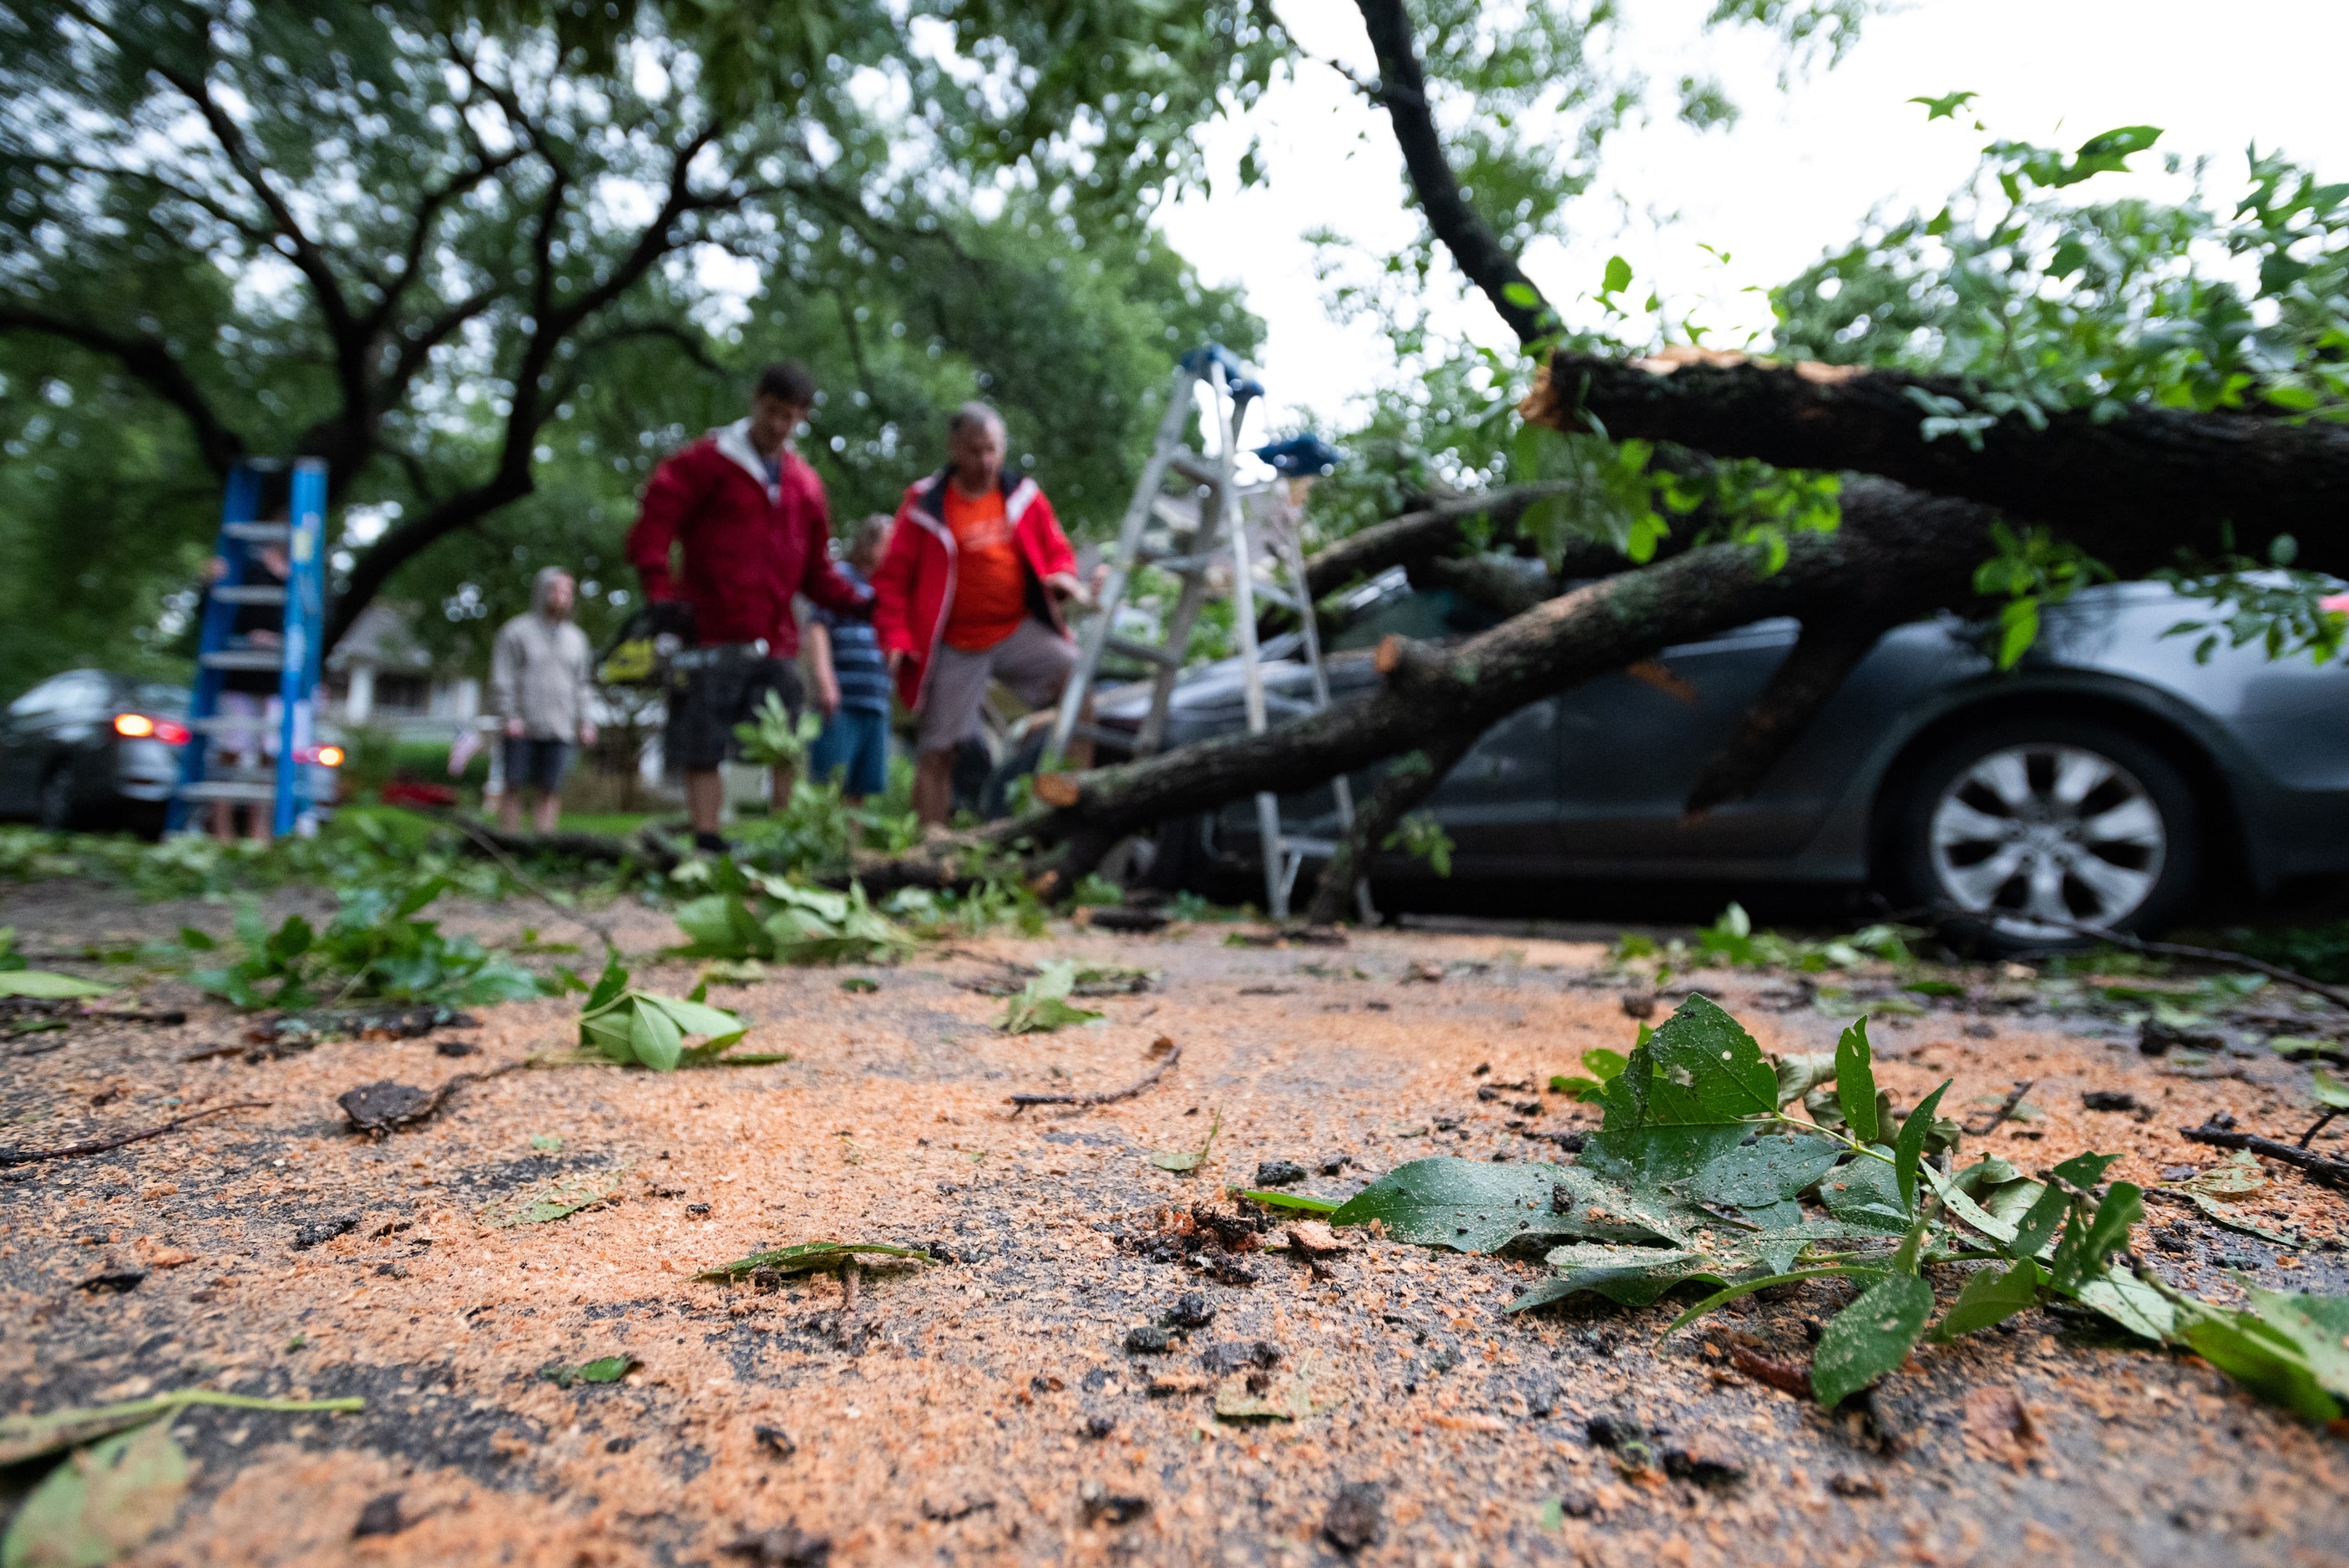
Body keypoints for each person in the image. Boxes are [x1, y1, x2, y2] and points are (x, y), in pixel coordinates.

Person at [626, 362, 872, 852]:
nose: (778, 426)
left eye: (791, 418)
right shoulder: (706, 461)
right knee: (705, 739)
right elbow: (652, 528)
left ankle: (786, 839)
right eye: (772, 412)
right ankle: (707, 837)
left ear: (803, 418)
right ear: (756, 399)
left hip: (776, 637)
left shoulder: (805, 485)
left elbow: (817, 569)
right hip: (710, 633)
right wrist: (660, 593)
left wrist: (862, 604)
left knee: (784, 740)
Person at [871, 402, 1092, 827]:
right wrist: (895, 639)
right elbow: (891, 581)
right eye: (975, 451)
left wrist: (1062, 577)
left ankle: (1074, 798)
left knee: (1080, 679)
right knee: (939, 751)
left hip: (1015, 630)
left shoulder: (1023, 496)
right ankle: (928, 849)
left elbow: (1056, 550)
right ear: (954, 448)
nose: (986, 461)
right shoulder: (925, 505)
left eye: (993, 449)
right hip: (956, 644)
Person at [488, 566, 597, 834]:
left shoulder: (577, 639)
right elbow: (502, 676)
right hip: (521, 724)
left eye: (567, 591)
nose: (562, 596)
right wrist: (508, 715)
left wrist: (586, 721)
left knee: (550, 788)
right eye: (556, 589)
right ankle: (508, 842)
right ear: (541, 591)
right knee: (513, 784)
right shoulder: (515, 632)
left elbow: (583, 684)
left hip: (560, 726)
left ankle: (543, 843)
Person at [197, 539, 288, 843]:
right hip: (238, 675)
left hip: (277, 683)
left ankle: (259, 830)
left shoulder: (303, 574)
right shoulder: (244, 569)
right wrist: (208, 583)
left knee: (269, 754)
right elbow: (211, 614)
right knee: (230, 751)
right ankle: (221, 830)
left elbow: (319, 625)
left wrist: (277, 641)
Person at [804, 514, 894, 806]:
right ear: (868, 544)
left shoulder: (887, 589)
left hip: (876, 700)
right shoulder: (839, 578)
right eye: (888, 545)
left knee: (862, 786)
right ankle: (824, 844)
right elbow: (817, 627)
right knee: (832, 779)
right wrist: (825, 680)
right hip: (842, 697)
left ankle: (850, 850)